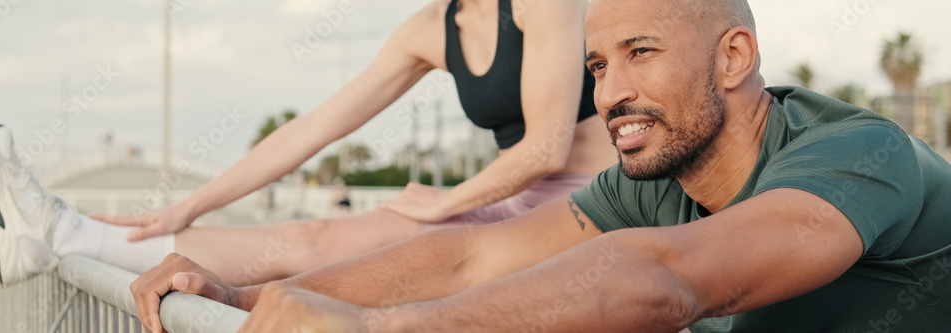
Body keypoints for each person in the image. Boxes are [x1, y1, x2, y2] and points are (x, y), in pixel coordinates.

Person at [125, 0, 951, 331]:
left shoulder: (856, 154)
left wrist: (378, 331)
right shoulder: (653, 178)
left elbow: (668, 277)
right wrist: (253, 300)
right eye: (597, 67)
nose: (612, 93)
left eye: (641, 53)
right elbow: (471, 254)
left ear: (735, 57)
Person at [0, 0, 614, 287]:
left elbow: (546, 148)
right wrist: (191, 203)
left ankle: (63, 234)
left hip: (594, 201)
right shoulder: (429, 28)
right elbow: (312, 129)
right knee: (311, 241)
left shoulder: (540, 2)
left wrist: (444, 203)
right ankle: (60, 235)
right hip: (502, 202)